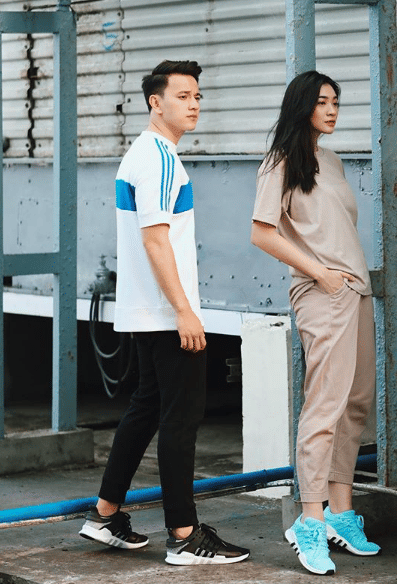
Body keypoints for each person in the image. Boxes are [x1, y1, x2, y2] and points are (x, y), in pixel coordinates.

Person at [79, 60, 249, 566]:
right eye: (183, 96)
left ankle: (104, 515)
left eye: (198, 96)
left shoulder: (146, 153)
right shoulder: (158, 158)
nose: (194, 105)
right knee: (181, 419)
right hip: (164, 313)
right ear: (156, 102)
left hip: (147, 311)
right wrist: (184, 311)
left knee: (148, 410)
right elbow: (156, 241)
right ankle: (184, 535)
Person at [251, 70, 380, 576]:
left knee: (356, 401)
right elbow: (262, 233)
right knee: (324, 403)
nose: (331, 110)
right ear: (301, 106)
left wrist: (345, 280)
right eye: (322, 102)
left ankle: (341, 512)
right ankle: (309, 519)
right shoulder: (280, 162)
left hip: (355, 291)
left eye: (336, 103)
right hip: (322, 293)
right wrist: (321, 273)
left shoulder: (332, 160)